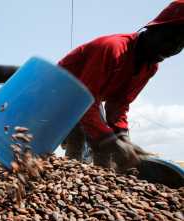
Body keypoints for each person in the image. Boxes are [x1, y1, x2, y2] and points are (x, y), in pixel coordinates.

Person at [59, 0, 184, 171]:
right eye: (171, 37)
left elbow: (119, 103)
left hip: (86, 100)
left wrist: (122, 137)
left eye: (181, 44)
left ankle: (101, 188)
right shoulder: (113, 48)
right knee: (82, 138)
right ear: (154, 29)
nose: (174, 47)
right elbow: (84, 99)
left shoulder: (149, 67)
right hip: (55, 94)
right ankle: (71, 178)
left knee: (106, 146)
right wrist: (109, 139)